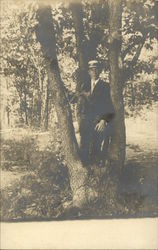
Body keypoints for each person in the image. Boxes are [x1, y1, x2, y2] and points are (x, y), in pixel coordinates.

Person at [76, 60, 115, 166]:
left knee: (96, 148)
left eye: (96, 69)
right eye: (92, 69)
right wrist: (79, 121)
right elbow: (79, 106)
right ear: (89, 72)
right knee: (84, 147)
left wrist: (103, 121)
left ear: (100, 71)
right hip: (85, 122)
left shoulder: (105, 86)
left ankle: (97, 174)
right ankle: (85, 171)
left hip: (98, 122)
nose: (94, 71)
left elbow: (110, 107)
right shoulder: (84, 86)